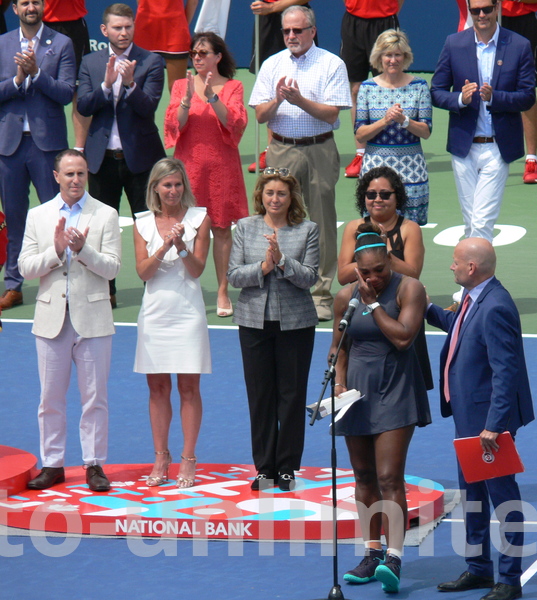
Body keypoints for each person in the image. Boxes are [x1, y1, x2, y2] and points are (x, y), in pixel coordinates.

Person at [427, 238, 534, 600]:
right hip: (467, 420)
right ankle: (478, 569)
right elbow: (456, 327)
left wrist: (495, 424)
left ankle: (509, 579)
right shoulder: (475, 301)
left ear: (471, 268)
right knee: (473, 497)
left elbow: (507, 371)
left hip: (488, 425)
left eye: (456, 262)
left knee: (503, 500)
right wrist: (422, 305)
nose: (452, 267)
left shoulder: (496, 307)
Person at [330, 222, 430, 594]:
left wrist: (372, 305)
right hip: (356, 395)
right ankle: (372, 553)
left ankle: (395, 556)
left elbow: (404, 338)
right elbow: (338, 348)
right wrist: (339, 384)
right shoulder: (345, 297)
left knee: (389, 476)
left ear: (390, 261)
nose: (372, 278)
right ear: (357, 268)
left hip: (396, 391)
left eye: (379, 270)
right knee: (363, 477)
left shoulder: (410, 289)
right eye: (365, 272)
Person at [19, 149, 121, 492]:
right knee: (50, 398)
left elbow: (112, 268)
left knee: (95, 397)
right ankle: (53, 464)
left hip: (92, 318)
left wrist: (83, 252)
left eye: (81, 173)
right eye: (69, 174)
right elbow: (25, 268)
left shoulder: (105, 214)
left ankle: (94, 464)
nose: (76, 180)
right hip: (51, 318)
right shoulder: (38, 216)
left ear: (87, 174)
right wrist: (56, 250)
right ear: (56, 176)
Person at [248, 5, 350, 322]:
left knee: (320, 221)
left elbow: (332, 114)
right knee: (277, 219)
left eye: (297, 30)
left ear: (312, 31)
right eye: (286, 31)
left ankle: (320, 293)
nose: (291, 36)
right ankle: (282, 286)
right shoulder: (271, 64)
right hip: (281, 149)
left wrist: (299, 100)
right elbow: (261, 115)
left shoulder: (331, 63)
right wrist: (279, 98)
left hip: (319, 149)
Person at [227, 169, 319, 492]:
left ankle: (287, 468)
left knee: (291, 397)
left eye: (281, 193)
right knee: (260, 395)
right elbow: (234, 276)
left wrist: (282, 261)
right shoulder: (245, 228)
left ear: (291, 197)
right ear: (261, 196)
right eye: (269, 193)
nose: (275, 199)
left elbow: (310, 278)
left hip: (296, 324)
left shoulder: (307, 230)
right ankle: (264, 468)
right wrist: (264, 267)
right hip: (253, 322)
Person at [77, 2, 166, 307]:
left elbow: (148, 107)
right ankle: (107, 290)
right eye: (117, 27)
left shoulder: (151, 61)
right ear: (105, 30)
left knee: (149, 225)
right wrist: (106, 85)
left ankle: (152, 288)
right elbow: (84, 107)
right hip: (101, 161)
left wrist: (129, 84)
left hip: (141, 161)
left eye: (128, 27)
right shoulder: (90, 63)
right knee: (102, 228)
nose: (124, 32)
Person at [430, 0, 536, 246]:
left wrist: (495, 97)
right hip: (463, 148)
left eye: (486, 9)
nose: (481, 15)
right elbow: (436, 91)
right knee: (470, 223)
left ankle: (477, 284)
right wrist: (460, 98)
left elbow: (528, 96)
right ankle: (476, 284)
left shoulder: (519, 45)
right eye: (475, 10)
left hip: (497, 148)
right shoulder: (454, 44)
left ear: (497, 7)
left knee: (481, 223)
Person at [133, 158, 211, 489]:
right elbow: (143, 273)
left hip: (188, 313)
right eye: (167, 185)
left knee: (189, 388)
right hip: (155, 313)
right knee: (157, 388)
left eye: (178, 184)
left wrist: (181, 247)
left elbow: (196, 270)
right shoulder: (142, 223)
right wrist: (165, 245)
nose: (173, 190)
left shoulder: (199, 219)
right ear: (156, 188)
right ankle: (160, 457)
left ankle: (188, 459)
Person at [165, 31, 248, 318]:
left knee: (221, 229)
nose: (197, 58)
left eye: (203, 53)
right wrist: (187, 100)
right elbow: (176, 125)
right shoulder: (180, 85)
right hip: (188, 166)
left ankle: (223, 290)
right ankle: (189, 286)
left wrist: (212, 97)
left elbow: (235, 122)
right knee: (185, 227)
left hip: (221, 166)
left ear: (218, 57)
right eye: (194, 54)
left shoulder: (234, 86)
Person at [0, 0, 75, 311]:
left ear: (44, 6)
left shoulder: (62, 43)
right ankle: (14, 285)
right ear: (15, 8)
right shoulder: (2, 43)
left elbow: (66, 92)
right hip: (10, 146)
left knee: (56, 217)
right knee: (15, 218)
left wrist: (36, 73)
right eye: (25, 2)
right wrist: (18, 80)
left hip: (48, 146)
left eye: (36, 2)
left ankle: (61, 282)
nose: (31, 7)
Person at [338, 165, 433, 390]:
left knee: (404, 385)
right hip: (362, 309)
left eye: (385, 194)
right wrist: (375, 257)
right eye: (371, 195)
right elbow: (342, 275)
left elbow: (413, 273)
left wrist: (384, 251)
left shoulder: (410, 229)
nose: (377, 199)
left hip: (399, 309)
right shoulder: (353, 227)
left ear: (396, 197)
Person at [354, 29, 432, 225]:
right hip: (376, 169)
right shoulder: (367, 88)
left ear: (405, 57)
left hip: (411, 170)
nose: (393, 60)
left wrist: (404, 121)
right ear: (380, 57)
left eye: (398, 54)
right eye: (388, 54)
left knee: (410, 230)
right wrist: (385, 120)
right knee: (375, 227)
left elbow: (426, 131)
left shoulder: (420, 86)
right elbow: (360, 133)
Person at [247, 0, 313, 173]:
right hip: (265, 18)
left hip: (296, 17)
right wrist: (266, 8)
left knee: (305, 77)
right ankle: (272, 151)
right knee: (271, 84)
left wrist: (272, 7)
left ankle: (307, 145)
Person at [340, 0, 403, 178]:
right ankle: (361, 154)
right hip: (354, 22)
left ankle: (389, 153)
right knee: (356, 90)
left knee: (388, 87)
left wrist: (390, 11)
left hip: (385, 21)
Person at [500, 0, 537, 184]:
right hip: (492, 20)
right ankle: (492, 155)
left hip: (525, 23)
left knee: (526, 91)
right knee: (491, 85)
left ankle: (532, 160)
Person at [42, 0, 90, 149]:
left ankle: (80, 150)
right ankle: (45, 145)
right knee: (45, 87)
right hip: (45, 25)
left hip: (75, 26)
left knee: (81, 91)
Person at [133, 0, 198, 92]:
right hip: (174, 27)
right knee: (177, 90)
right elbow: (193, 2)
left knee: (140, 88)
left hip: (145, 27)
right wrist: (181, 23)